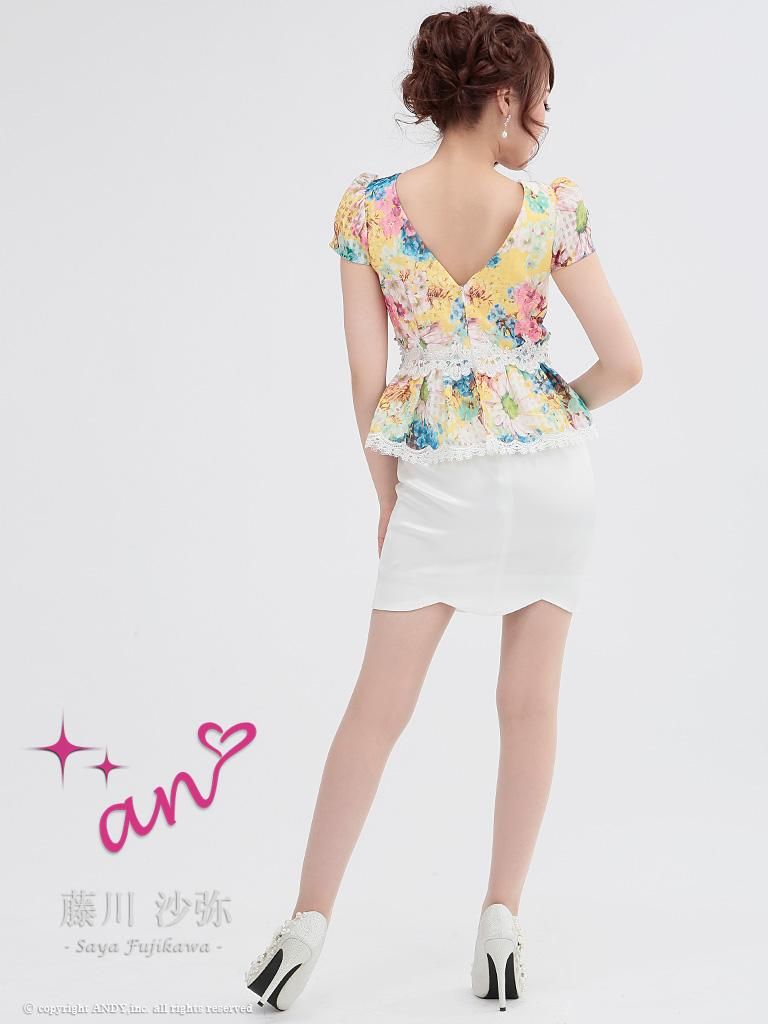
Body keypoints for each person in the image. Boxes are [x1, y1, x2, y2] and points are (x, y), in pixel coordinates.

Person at [244, 3, 642, 1011]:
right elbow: (624, 364)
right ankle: (501, 925)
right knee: (529, 704)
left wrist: (388, 494)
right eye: (540, 100)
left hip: (434, 484)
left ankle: (303, 928)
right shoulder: (551, 209)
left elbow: (366, 383)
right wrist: (549, 408)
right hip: (552, 481)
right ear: (504, 97)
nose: (543, 120)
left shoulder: (370, 211)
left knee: (375, 712)